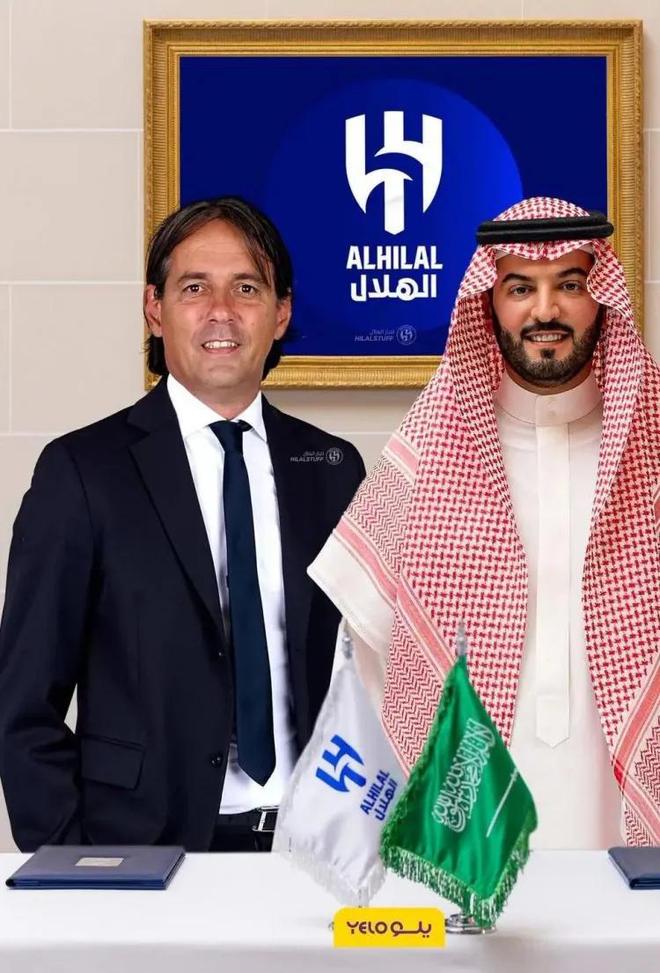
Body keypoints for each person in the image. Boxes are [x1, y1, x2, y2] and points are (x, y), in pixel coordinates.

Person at [0, 196, 365, 852]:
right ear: (154, 309)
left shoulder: (333, 469)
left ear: (281, 313)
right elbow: (23, 702)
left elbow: (366, 676)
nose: (221, 311)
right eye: (194, 288)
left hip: (314, 853)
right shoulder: (82, 471)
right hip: (141, 853)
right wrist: (71, 860)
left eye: (246, 288)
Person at [310, 197, 660, 849]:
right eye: (520, 287)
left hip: (631, 837)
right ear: (489, 303)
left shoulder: (653, 444)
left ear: (603, 299)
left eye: (571, 285)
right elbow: (366, 657)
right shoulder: (430, 447)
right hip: (467, 842)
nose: (545, 310)